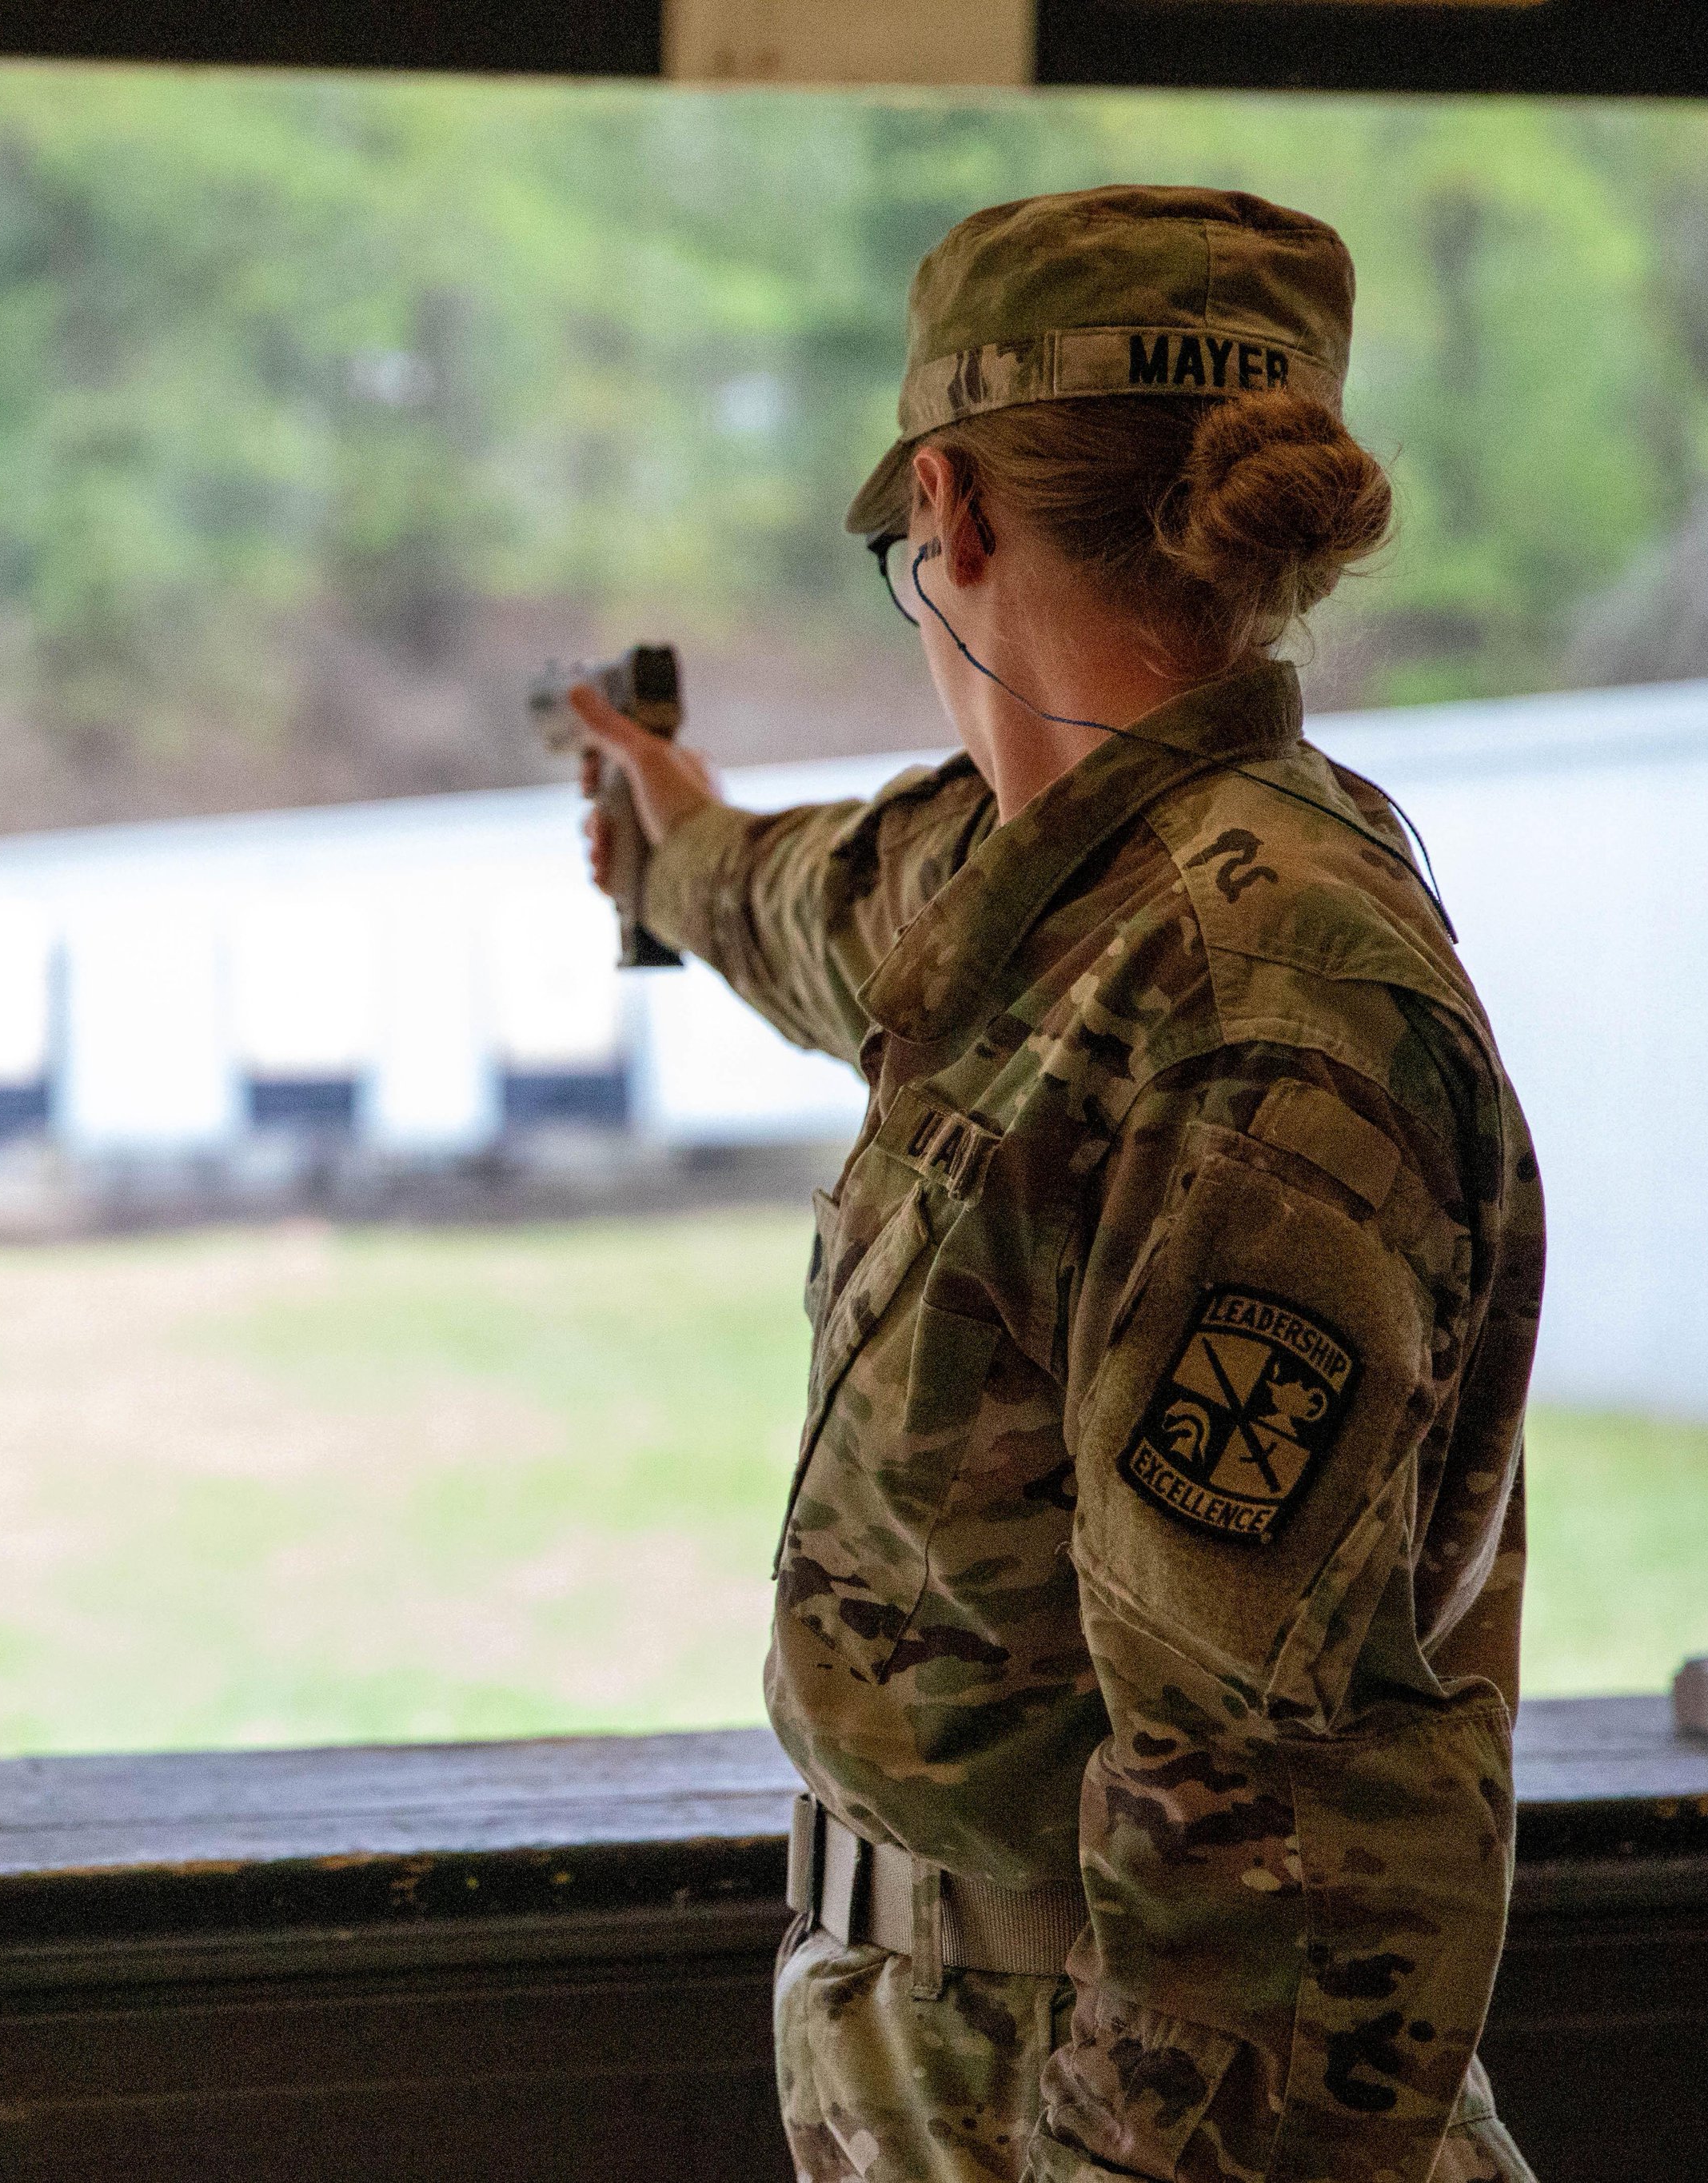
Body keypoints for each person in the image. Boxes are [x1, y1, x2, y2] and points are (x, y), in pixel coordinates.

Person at [567, 187, 1545, 2183]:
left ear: (952, 511)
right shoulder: (1050, 879)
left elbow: (1255, 1814)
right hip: (976, 2064)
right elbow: (810, 901)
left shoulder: (1248, 1001)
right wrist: (662, 840)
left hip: (1127, 2109)